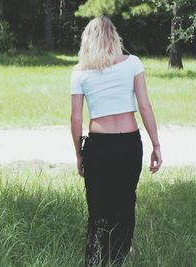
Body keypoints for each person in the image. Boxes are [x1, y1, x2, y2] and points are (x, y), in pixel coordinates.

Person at [69, 16, 163, 266]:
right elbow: (144, 106)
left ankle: (94, 261)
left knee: (98, 209)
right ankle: (118, 259)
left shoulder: (79, 72)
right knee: (125, 201)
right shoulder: (132, 63)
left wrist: (79, 153)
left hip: (98, 147)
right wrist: (156, 145)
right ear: (114, 37)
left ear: (87, 40)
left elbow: (76, 118)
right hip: (129, 145)